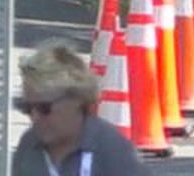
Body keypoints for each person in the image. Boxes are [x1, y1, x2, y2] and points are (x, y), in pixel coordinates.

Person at [11, 40, 148, 176]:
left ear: (76, 100)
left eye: (44, 108)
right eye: (27, 108)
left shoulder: (114, 151)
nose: (34, 117)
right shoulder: (29, 145)